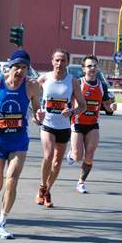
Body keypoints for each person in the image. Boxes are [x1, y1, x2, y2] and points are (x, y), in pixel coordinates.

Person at [0, 49, 41, 239]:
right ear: (9, 67)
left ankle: (1, 224)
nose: (20, 71)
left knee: (12, 180)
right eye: (17, 67)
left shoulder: (32, 86)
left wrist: (39, 117)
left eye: (24, 68)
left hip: (19, 140)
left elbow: (36, 110)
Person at [34, 49, 86, 208]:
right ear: (52, 61)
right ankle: (42, 186)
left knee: (57, 163)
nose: (59, 63)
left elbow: (83, 106)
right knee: (48, 156)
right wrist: (36, 113)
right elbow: (32, 98)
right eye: (57, 60)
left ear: (67, 63)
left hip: (64, 126)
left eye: (63, 60)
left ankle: (48, 190)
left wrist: (72, 111)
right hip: (47, 124)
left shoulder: (72, 81)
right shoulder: (43, 79)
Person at [66, 55, 117, 193]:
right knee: (77, 157)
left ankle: (81, 183)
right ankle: (71, 153)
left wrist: (111, 108)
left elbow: (106, 104)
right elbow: (69, 101)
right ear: (84, 69)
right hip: (77, 123)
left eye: (95, 65)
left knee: (90, 153)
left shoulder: (102, 86)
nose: (92, 68)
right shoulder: (79, 83)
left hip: (93, 124)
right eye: (89, 66)